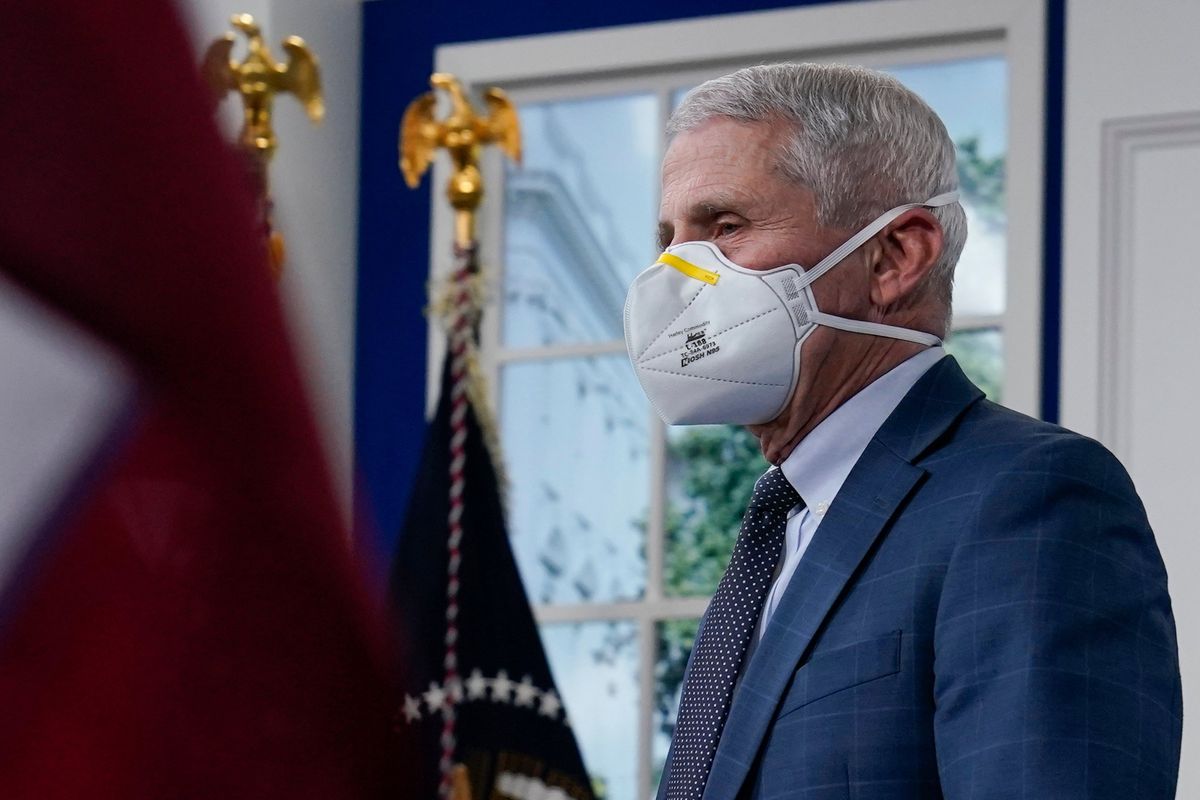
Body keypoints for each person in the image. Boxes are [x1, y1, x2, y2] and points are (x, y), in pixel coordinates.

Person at [623, 63, 1181, 800]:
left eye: (726, 228)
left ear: (895, 258)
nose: (675, 275)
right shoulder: (785, 526)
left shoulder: (1032, 498)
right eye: (670, 237)